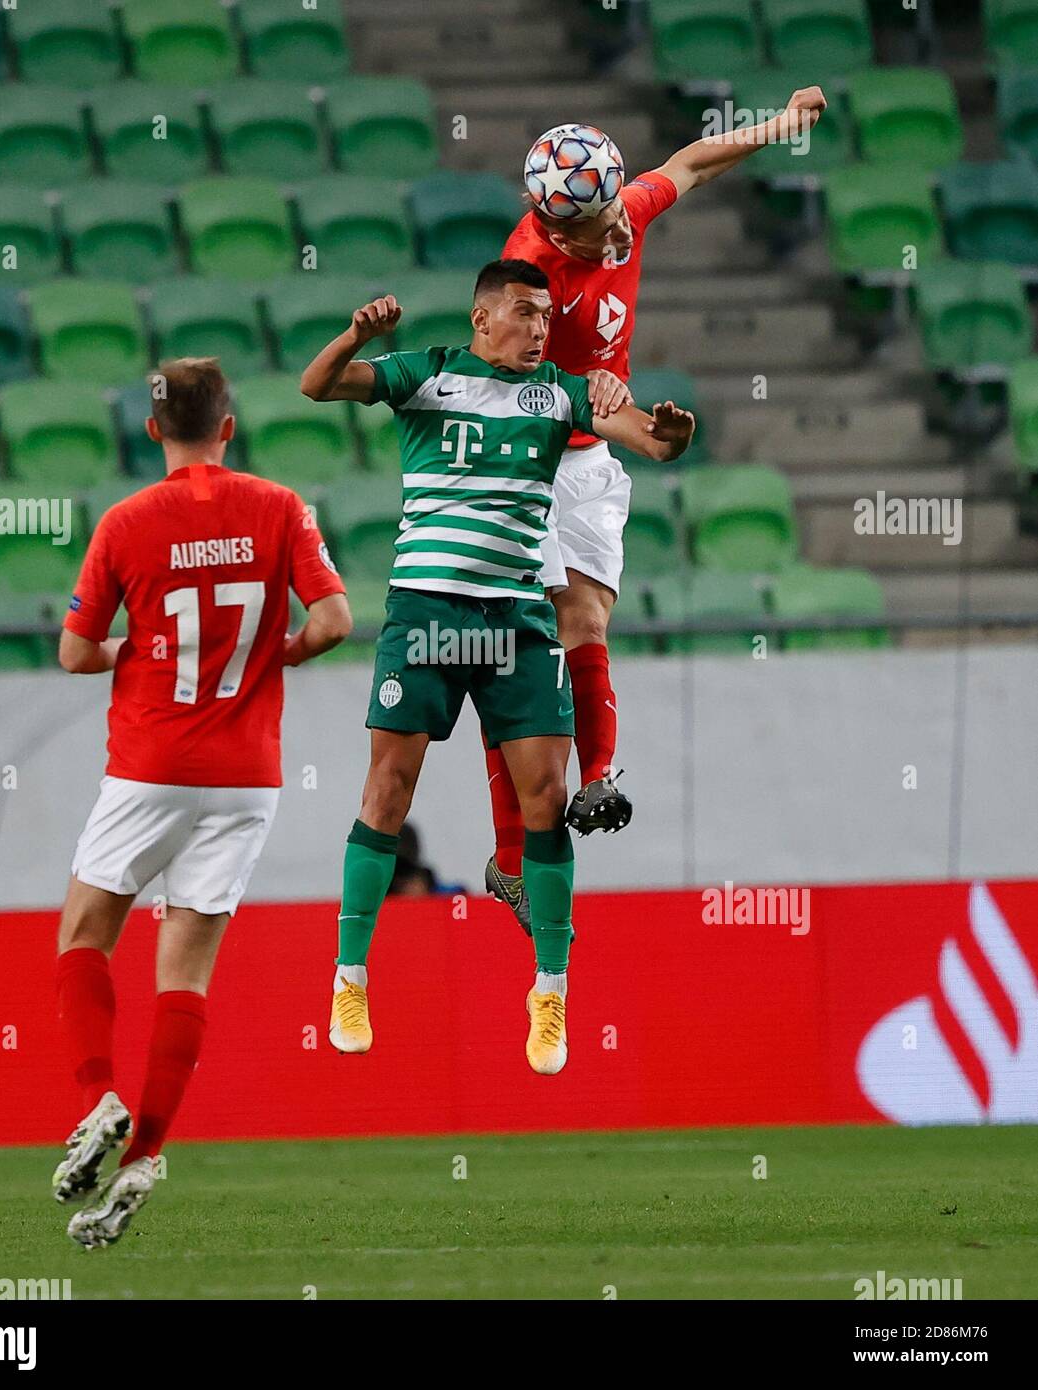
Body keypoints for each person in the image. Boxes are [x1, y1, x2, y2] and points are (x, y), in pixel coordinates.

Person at [299, 259, 694, 1075]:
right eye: (523, 313)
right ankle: (349, 975)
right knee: (387, 789)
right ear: (482, 319)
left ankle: (550, 991)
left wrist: (670, 430)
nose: (540, 328)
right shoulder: (427, 375)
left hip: (514, 620)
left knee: (546, 800)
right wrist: (355, 336)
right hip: (428, 615)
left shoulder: (560, 391)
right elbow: (317, 386)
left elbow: (650, 441)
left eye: (546, 316)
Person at [484, 88, 828, 934]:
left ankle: (597, 780)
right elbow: (509, 389)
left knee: (590, 620)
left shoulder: (611, 207)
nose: (614, 233)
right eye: (593, 229)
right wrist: (613, 411)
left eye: (612, 213)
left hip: (591, 456)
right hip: (526, 460)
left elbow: (687, 165)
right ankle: (507, 859)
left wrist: (778, 125)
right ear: (553, 231)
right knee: (518, 658)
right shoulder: (527, 276)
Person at [52, 357, 350, 1247]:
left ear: (154, 433)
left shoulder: (127, 522)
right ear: (229, 427)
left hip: (149, 762)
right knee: (183, 973)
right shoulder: (279, 506)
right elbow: (334, 621)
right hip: (246, 777)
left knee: (83, 937)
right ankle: (144, 1153)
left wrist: (130, 654)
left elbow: (74, 654)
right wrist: (274, 657)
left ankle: (98, 1100)